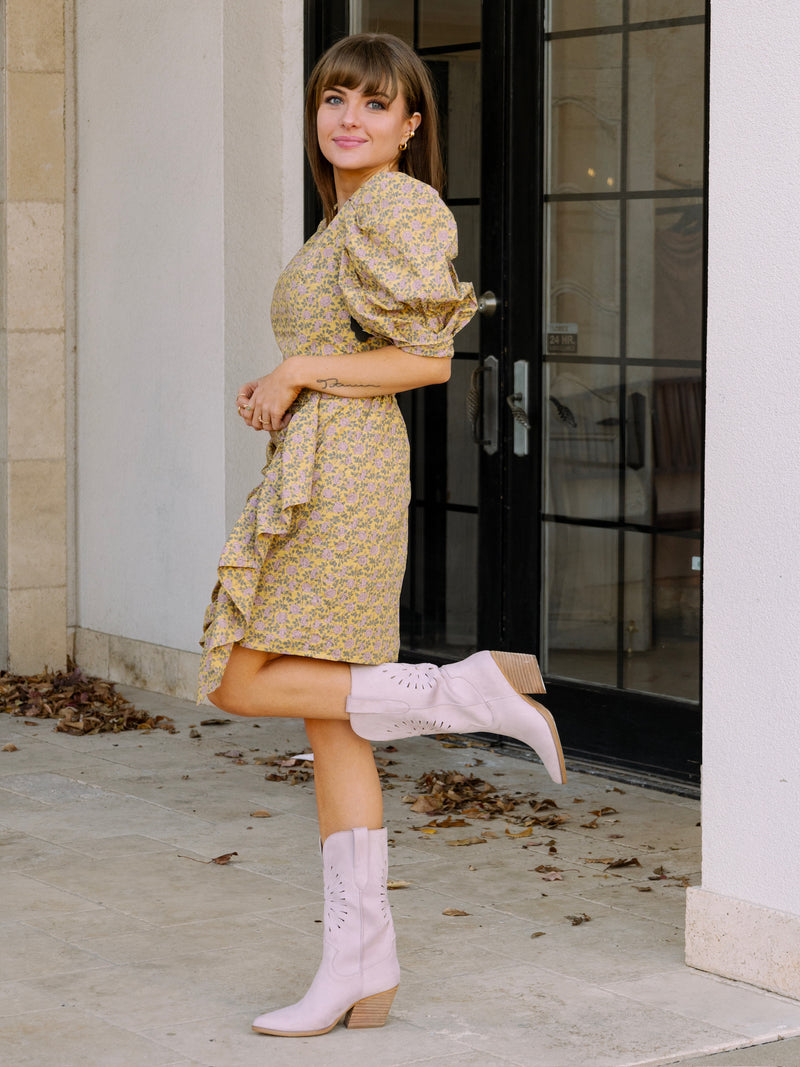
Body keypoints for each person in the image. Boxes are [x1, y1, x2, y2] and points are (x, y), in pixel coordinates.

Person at [198, 32, 566, 1039]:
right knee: (333, 722)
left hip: (345, 474)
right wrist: (287, 383)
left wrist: (301, 372)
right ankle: (361, 965)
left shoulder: (398, 202)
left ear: (411, 124)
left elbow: (428, 360)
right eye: (334, 98)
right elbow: (362, 348)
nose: (348, 117)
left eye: (373, 103)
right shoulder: (346, 214)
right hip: (331, 458)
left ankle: (456, 690)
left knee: (237, 674)